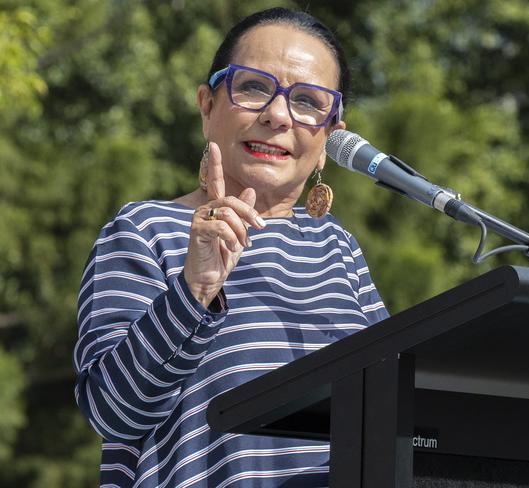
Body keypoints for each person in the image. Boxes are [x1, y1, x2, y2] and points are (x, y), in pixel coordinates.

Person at [74, 7, 388, 487]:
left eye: (307, 102)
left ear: (329, 139)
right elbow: (111, 412)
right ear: (206, 105)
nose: (278, 115)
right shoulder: (145, 229)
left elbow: (396, 405)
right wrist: (194, 291)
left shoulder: (338, 248)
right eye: (254, 88)